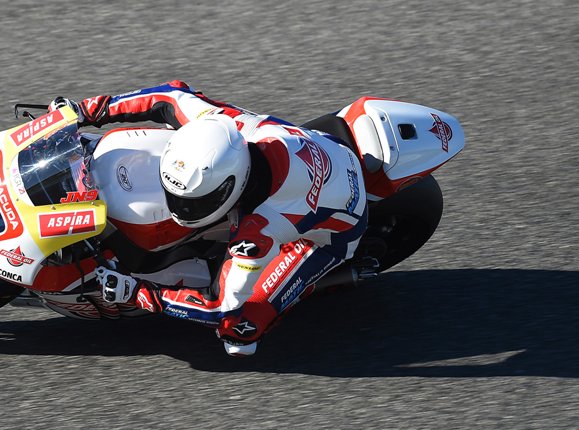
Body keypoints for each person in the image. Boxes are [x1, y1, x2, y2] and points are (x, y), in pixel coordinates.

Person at [52, 80, 368, 356]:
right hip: (325, 148)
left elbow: (220, 305)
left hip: (334, 231)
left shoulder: (257, 231)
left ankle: (309, 287)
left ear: (230, 187)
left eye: (189, 203)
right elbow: (168, 95)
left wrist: (139, 293)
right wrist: (84, 112)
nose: (176, 208)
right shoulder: (222, 125)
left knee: (237, 328)